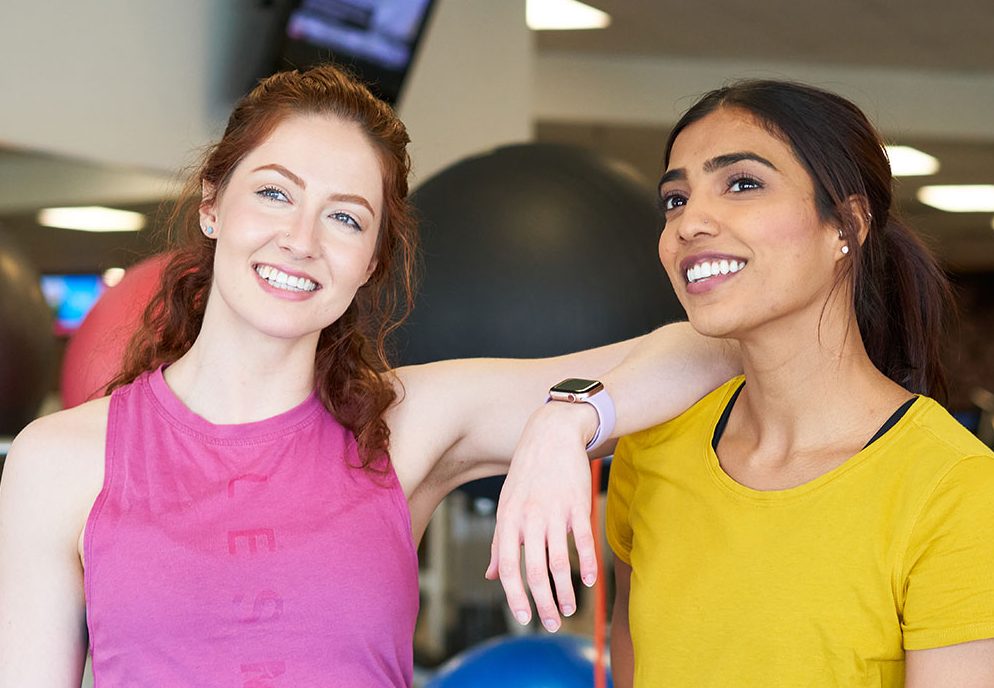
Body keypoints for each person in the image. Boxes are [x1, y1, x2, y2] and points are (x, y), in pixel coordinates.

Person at [0, 64, 740, 687]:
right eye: (274, 193)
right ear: (213, 206)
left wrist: (570, 417)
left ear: (372, 263)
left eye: (346, 219)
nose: (300, 240)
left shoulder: (406, 424)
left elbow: (708, 348)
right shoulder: (60, 459)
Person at [490, 80, 994, 686]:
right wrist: (561, 419)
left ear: (848, 226)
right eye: (674, 200)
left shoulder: (956, 487)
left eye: (743, 184)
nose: (689, 222)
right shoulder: (653, 450)